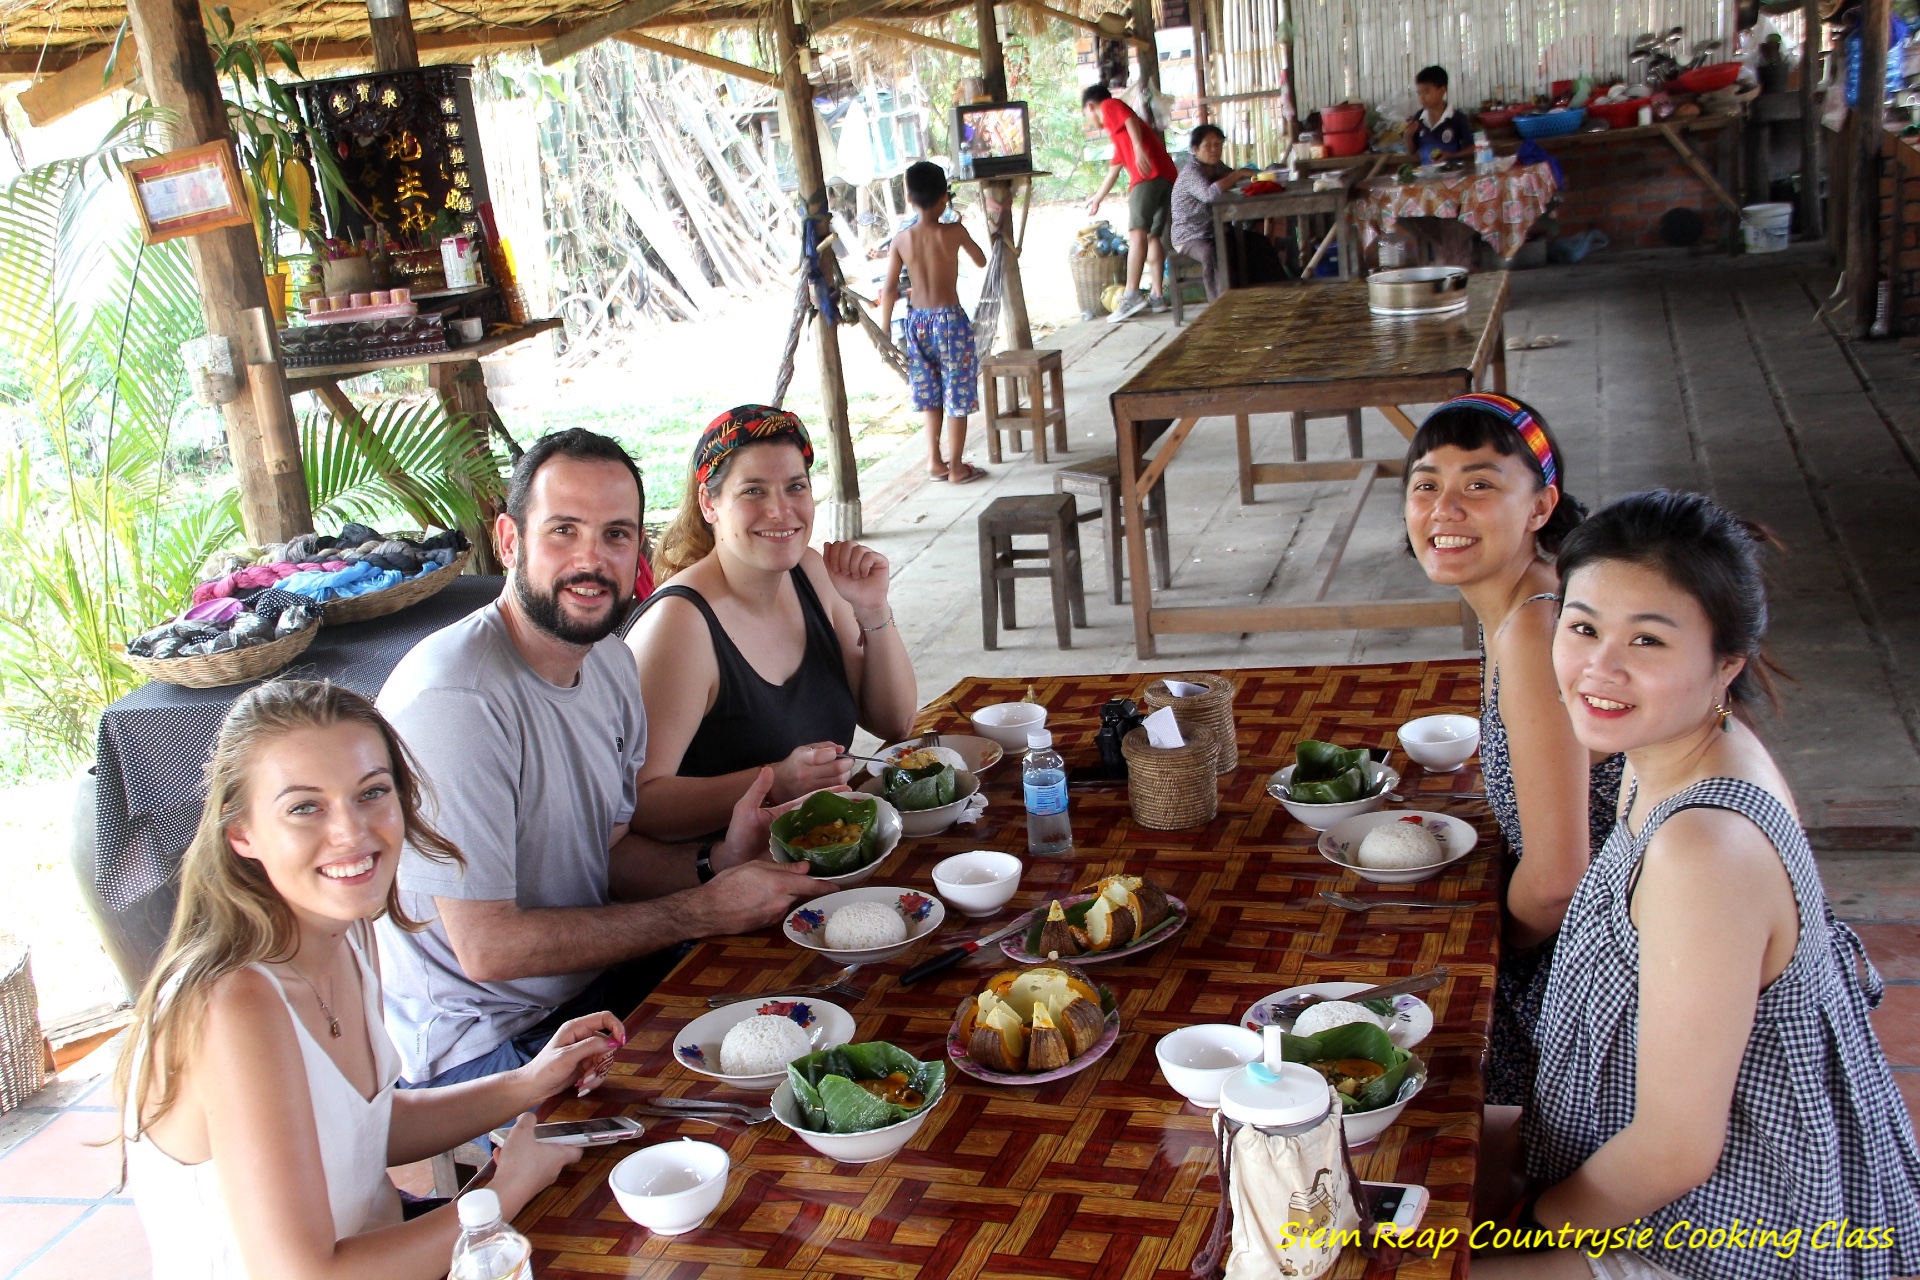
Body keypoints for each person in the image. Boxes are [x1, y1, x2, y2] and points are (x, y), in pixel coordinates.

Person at [1475, 489, 1920, 1280]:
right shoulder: (1682, 753)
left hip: (1737, 1232)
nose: (1599, 669)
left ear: (1725, 664)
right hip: (1656, 1158)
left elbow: (1675, 1149)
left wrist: (1529, 1229)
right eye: (1582, 628)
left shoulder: (1704, 849)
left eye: (1647, 640)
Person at [120, 679, 618, 1279]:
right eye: (305, 807)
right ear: (241, 833)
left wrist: (527, 1083)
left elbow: (364, 1128)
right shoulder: (235, 1006)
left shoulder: (347, 929)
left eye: (371, 793)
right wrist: (502, 1193)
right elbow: (309, 1275)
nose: (352, 833)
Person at [377, 428, 817, 1090]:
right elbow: (488, 950)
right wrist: (703, 909)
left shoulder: (609, 662)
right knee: (729, 1127)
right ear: (508, 540)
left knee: (809, 1013)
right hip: (487, 1037)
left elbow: (609, 855)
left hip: (600, 987)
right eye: (563, 531)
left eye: (615, 534)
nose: (592, 559)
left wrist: (717, 863)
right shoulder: (455, 698)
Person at [1402, 393, 1621, 1109]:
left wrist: (1488, 953)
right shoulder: (1521, 604)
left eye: (1480, 485)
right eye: (1427, 484)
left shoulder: (1538, 628)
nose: (1444, 508)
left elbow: (1559, 878)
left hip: (1608, 954)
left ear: (1540, 506)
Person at [627, 405, 918, 840]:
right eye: (753, 491)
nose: (781, 511)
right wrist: (771, 782)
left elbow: (895, 724)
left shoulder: (813, 574)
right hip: (727, 881)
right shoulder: (679, 625)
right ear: (710, 503)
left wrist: (873, 611)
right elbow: (638, 805)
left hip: (826, 849)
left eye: (795, 487)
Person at [879, 161, 989, 484]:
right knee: (957, 392)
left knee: (930, 392)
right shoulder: (953, 232)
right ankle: (956, 466)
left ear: (909, 199)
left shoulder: (901, 240)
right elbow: (981, 260)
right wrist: (963, 229)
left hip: (917, 323)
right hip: (950, 322)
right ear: (944, 198)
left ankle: (934, 460)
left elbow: (888, 289)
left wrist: (884, 330)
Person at [1083, 83, 1178, 322]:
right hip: (1165, 175)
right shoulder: (1118, 134)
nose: (1090, 120)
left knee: (1137, 233)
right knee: (1152, 236)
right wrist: (1098, 197)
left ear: (1091, 106)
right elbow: (1114, 170)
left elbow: (1130, 119)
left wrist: (1138, 149)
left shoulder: (1109, 105)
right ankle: (1157, 296)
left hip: (1147, 176)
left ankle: (1131, 294)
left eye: (1086, 114)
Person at [1171, 123, 1255, 301]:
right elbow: (1210, 195)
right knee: (1211, 253)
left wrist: (1238, 176)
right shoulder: (1192, 171)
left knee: (1248, 242)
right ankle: (1217, 303)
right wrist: (1238, 175)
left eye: (1218, 144)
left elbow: (1229, 176)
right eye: (1208, 145)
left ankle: (1246, 295)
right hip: (1189, 236)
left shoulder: (1216, 167)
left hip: (1213, 230)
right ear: (1195, 149)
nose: (1214, 149)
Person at [1403, 64, 1473, 163]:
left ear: (1442, 91)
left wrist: (1452, 156)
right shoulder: (1418, 118)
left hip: (1453, 174)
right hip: (1428, 176)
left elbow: (1471, 149)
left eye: (1426, 92)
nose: (1421, 98)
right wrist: (1408, 137)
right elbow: (1412, 151)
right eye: (1419, 93)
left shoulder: (1457, 118)